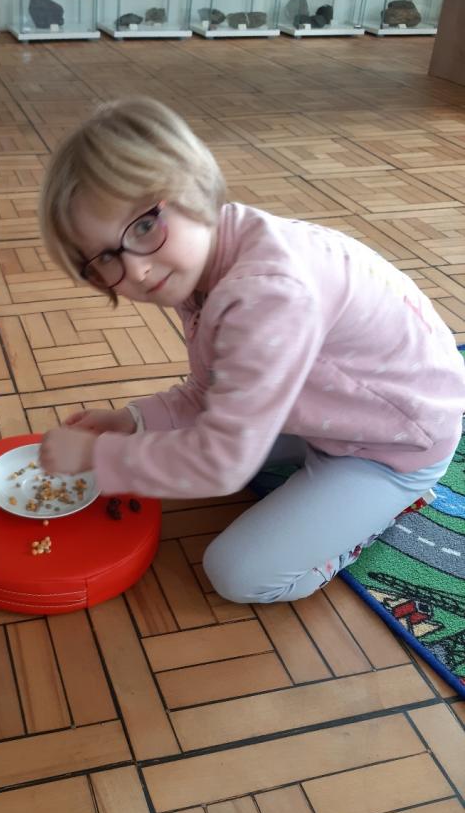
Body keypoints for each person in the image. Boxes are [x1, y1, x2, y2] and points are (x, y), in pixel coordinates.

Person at [37, 97, 465, 605]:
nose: (136, 271)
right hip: (332, 412)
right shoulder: (202, 257)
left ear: (195, 186)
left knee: (237, 573)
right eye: (105, 259)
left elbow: (221, 464)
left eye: (145, 226)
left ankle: (383, 511)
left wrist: (99, 457)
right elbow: (209, 390)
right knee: (200, 440)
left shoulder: (266, 294)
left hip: (395, 446)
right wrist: (131, 421)